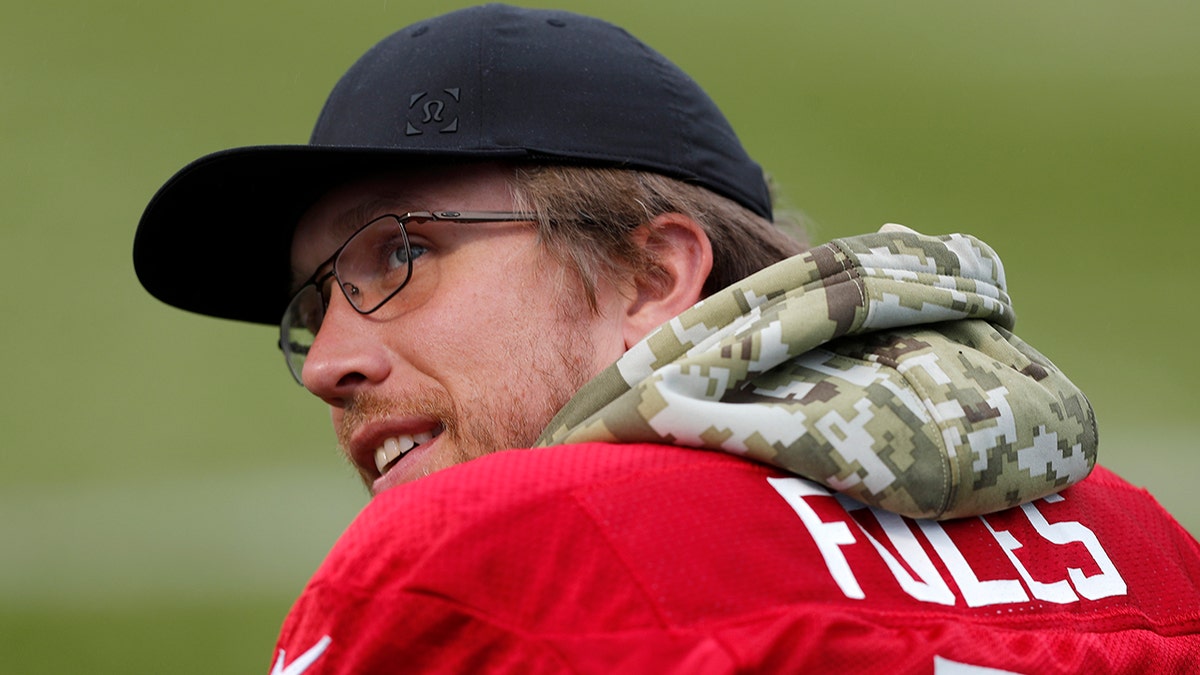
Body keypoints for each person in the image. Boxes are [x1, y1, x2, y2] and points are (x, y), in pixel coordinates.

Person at [134, 5, 1200, 673]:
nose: (326, 365)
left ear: (652, 274)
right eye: (312, 310)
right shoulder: (1145, 548)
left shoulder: (478, 568)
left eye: (398, 256)